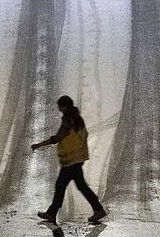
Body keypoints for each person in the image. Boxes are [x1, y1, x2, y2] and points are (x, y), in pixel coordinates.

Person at [32, 95, 107, 224]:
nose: (58, 108)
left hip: (71, 162)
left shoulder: (68, 120)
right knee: (77, 186)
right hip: (77, 159)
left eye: (60, 106)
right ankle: (97, 209)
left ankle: (52, 213)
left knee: (62, 186)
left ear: (64, 106)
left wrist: (39, 144)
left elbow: (58, 138)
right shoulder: (78, 119)